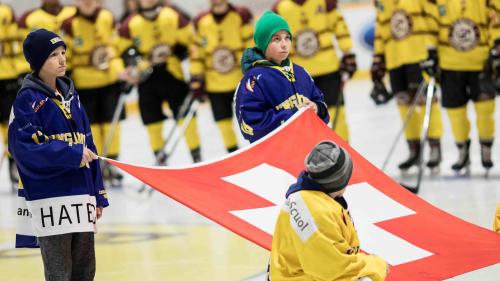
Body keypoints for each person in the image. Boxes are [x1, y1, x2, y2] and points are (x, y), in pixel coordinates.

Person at [8, 28, 108, 281]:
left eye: (63, 52)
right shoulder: (26, 100)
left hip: (81, 195)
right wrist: (72, 154)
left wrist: (97, 193)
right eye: (54, 55)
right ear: (38, 60)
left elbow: (88, 144)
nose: (62, 59)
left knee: (85, 269)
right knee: (59, 271)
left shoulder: (72, 96)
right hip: (51, 200)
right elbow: (26, 149)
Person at [268, 140, 388, 280]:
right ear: (339, 182)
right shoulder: (318, 215)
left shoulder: (308, 196)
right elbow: (336, 270)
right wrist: (376, 265)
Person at [118, 0, 202, 163]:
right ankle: (160, 160)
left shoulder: (173, 15)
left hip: (174, 75)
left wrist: (195, 72)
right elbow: (121, 50)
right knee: (152, 122)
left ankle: (197, 158)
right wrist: (130, 63)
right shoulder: (130, 23)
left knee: (187, 118)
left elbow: (191, 42)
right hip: (146, 79)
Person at [426, 0, 499, 173]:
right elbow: (431, 25)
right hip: (450, 65)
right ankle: (462, 151)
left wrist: (497, 46)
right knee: (455, 112)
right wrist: (430, 52)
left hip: (481, 62)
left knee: (485, 110)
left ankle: (486, 148)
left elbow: (496, 20)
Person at [61, 0, 129, 187]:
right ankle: (96, 162)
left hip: (109, 80)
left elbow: (114, 48)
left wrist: (120, 71)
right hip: (84, 84)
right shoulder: (69, 23)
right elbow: (67, 55)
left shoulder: (107, 17)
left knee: (111, 124)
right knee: (91, 126)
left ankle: (111, 163)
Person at [235, 11, 329, 143]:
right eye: (276, 39)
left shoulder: (300, 72)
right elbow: (250, 126)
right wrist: (292, 115)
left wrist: (317, 108)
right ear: (263, 43)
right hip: (276, 155)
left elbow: (320, 102)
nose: (284, 44)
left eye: (287, 38)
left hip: (309, 149)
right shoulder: (253, 80)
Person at [372, 0, 444, 171]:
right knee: (404, 106)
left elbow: (432, 17)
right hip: (395, 60)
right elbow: (381, 28)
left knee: (427, 103)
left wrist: (432, 49)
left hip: (419, 56)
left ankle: (435, 147)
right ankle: (414, 150)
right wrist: (378, 58)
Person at [272, 0, 357, 142]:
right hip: (298, 76)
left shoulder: (325, 2)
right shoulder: (280, 9)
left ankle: (344, 152)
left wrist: (347, 53)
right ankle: (315, 156)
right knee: (305, 117)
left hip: (328, 69)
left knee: (337, 113)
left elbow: (340, 27)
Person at [190, 0, 253, 153]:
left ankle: (258, 151)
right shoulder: (201, 21)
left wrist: (255, 71)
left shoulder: (240, 15)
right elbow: (197, 53)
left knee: (251, 119)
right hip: (215, 84)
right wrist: (196, 78)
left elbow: (251, 46)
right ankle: (234, 155)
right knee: (223, 123)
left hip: (241, 82)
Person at [0, 2, 19, 192]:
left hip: (5, 78)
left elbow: (15, 44)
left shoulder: (5, 11)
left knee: (10, 125)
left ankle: (15, 166)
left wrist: (20, 71)